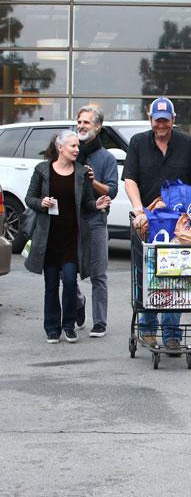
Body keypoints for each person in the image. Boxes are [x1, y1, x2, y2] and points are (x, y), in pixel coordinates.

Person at [122, 96, 191, 351]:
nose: (161, 124)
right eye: (156, 120)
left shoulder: (189, 145)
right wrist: (138, 210)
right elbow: (129, 180)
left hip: (178, 228)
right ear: (150, 119)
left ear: (173, 120)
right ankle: (149, 329)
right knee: (148, 274)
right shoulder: (138, 143)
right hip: (148, 223)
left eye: (165, 120)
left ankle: (172, 334)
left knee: (176, 276)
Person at [24, 130, 111, 344]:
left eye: (77, 146)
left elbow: (87, 204)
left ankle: (69, 325)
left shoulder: (81, 173)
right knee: (51, 284)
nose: (76, 149)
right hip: (49, 238)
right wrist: (41, 203)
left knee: (71, 282)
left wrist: (97, 205)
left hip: (72, 238)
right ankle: (52, 328)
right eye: (72, 146)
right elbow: (29, 198)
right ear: (60, 147)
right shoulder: (43, 170)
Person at [74, 105, 118, 338]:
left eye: (86, 122)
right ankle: (78, 302)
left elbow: (112, 190)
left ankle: (99, 322)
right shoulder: (70, 152)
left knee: (98, 274)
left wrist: (92, 181)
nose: (81, 126)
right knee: (67, 273)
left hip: (96, 220)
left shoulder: (107, 158)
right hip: (71, 221)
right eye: (79, 122)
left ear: (97, 127)